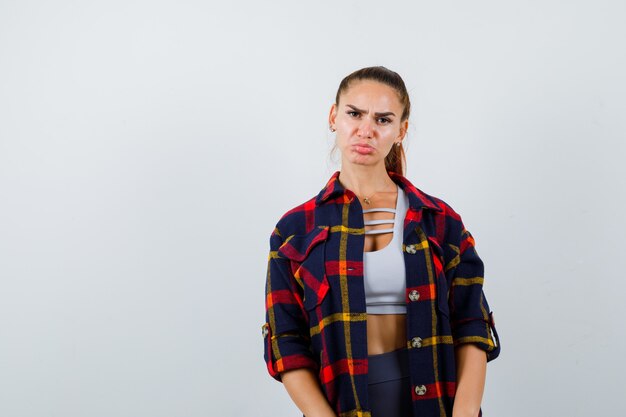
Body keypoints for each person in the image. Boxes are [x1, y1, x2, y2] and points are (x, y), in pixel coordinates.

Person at [262, 66, 501, 417]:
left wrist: (464, 413)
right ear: (334, 117)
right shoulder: (295, 229)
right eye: (354, 113)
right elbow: (286, 340)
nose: (366, 130)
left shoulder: (439, 221)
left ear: (401, 130)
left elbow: (471, 324)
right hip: (344, 403)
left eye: (383, 120)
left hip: (434, 399)